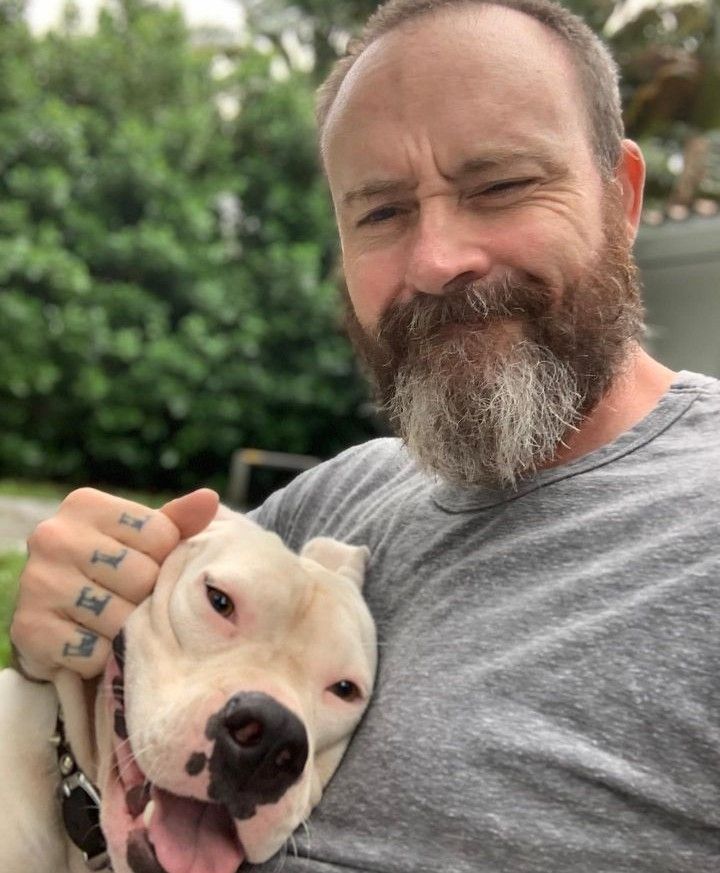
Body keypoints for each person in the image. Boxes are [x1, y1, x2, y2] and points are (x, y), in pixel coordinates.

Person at [11, 0, 720, 870]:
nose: (436, 261)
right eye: (381, 213)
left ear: (622, 196)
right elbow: (143, 665)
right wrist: (73, 612)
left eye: (498, 186)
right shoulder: (341, 497)